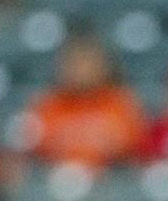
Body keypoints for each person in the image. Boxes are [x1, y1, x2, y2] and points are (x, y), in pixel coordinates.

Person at [18, 35, 148, 172]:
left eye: (86, 61)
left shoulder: (122, 103)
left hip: (110, 182)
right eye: (74, 62)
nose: (80, 69)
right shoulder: (46, 105)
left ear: (102, 65)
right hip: (57, 182)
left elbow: (136, 151)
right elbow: (31, 151)